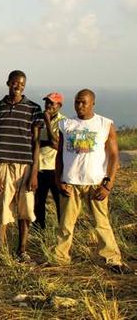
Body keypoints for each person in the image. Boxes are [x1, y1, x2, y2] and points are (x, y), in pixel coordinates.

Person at [48, 89, 125, 272]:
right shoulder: (66, 124)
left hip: (96, 183)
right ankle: (60, 258)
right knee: (65, 224)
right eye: (77, 102)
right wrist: (59, 180)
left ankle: (112, 259)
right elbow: (59, 155)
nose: (79, 106)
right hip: (70, 182)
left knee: (101, 223)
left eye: (83, 102)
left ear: (92, 103)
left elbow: (114, 156)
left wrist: (108, 183)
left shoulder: (105, 124)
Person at [0, 70, 41, 259]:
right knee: (2, 210)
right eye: (15, 83)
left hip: (24, 166)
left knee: (25, 210)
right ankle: (0, 251)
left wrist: (34, 173)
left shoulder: (33, 108)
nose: (18, 86)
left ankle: (22, 250)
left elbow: (36, 143)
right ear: (8, 83)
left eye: (22, 84)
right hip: (1, 164)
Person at [35, 93, 64, 231]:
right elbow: (32, 141)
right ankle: (39, 233)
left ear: (59, 106)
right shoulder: (37, 119)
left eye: (52, 103)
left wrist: (47, 122)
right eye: (47, 102)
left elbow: (57, 144)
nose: (48, 106)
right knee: (38, 203)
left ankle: (63, 232)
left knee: (59, 202)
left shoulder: (63, 122)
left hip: (54, 167)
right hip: (39, 167)